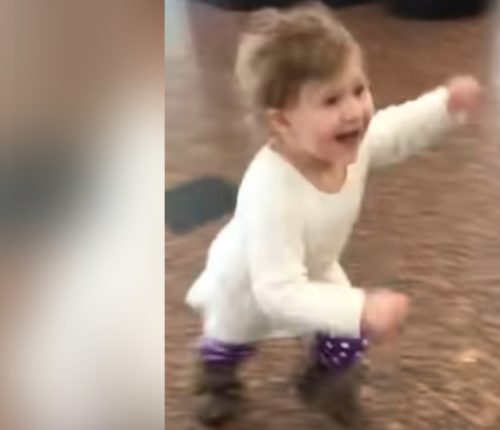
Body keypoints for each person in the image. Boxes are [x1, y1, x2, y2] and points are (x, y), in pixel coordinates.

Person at [186, 5, 482, 427]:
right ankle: (215, 383)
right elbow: (278, 292)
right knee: (228, 342)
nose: (354, 111)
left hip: (313, 268)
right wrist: (360, 306)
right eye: (331, 100)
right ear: (282, 122)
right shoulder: (271, 190)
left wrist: (444, 105)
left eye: (358, 89)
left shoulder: (349, 145)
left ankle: (327, 385)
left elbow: (394, 129)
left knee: (345, 337)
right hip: (251, 284)